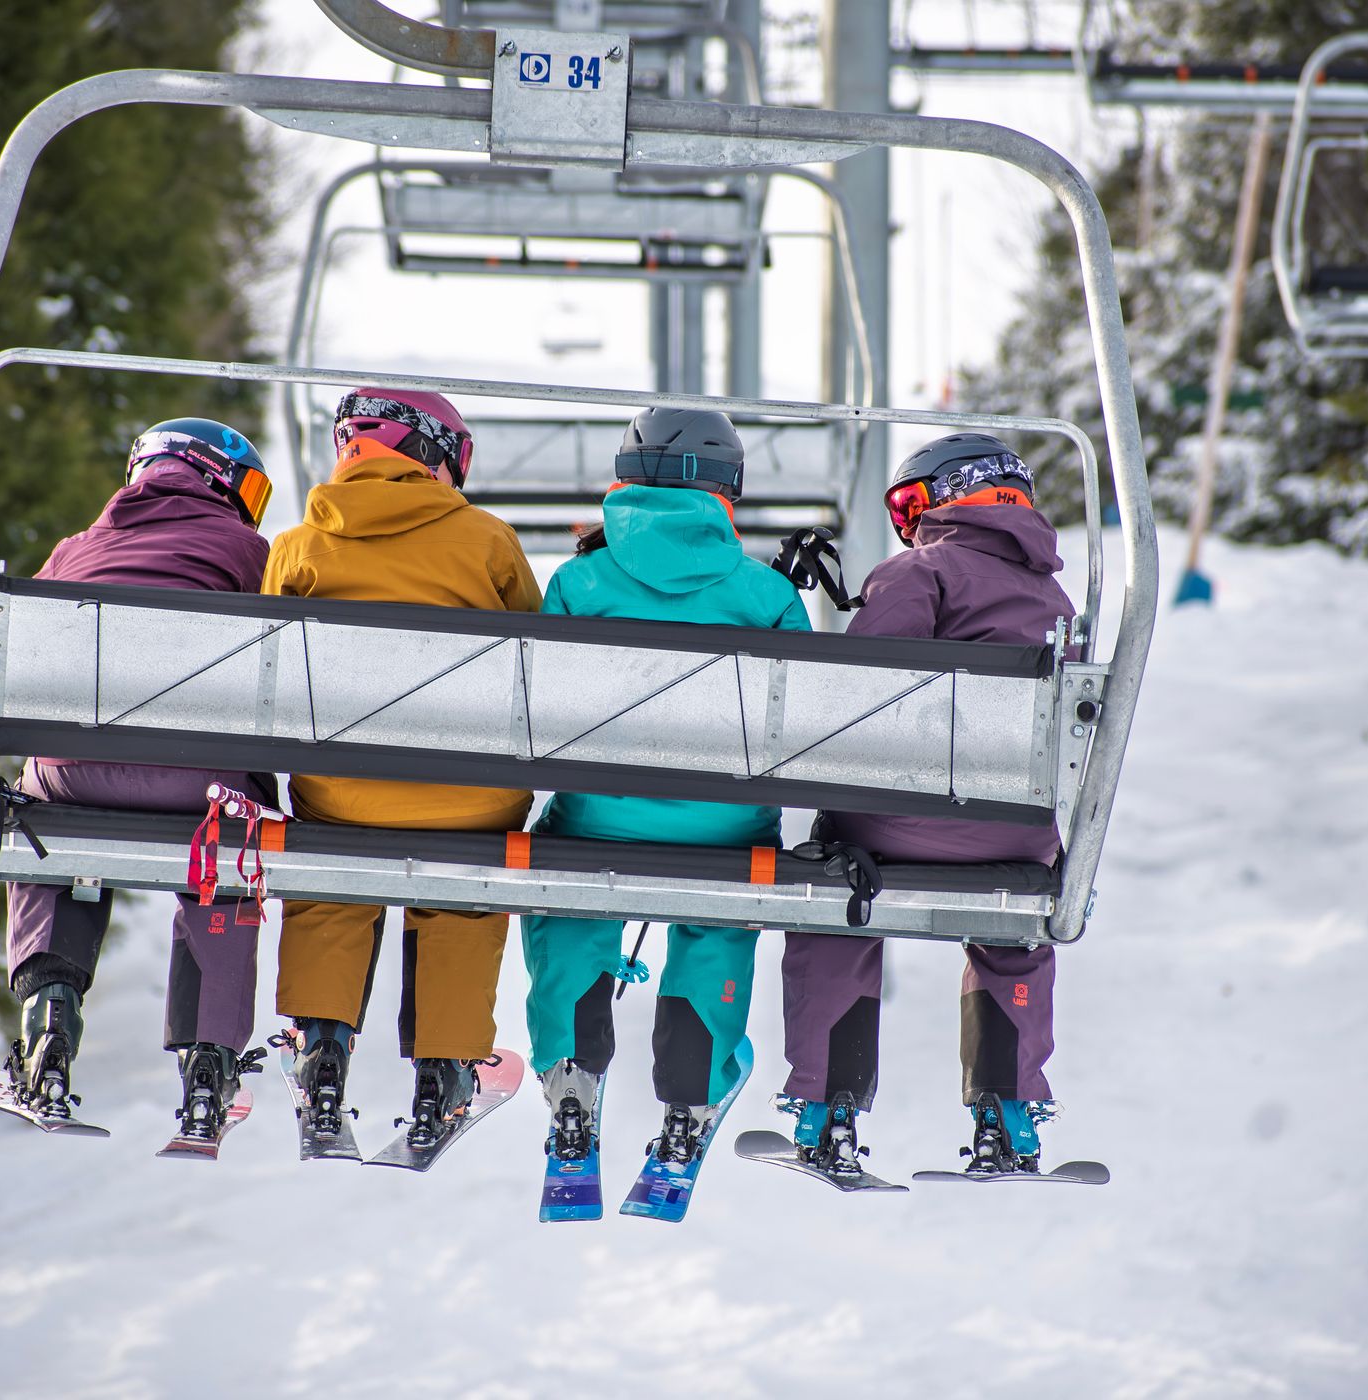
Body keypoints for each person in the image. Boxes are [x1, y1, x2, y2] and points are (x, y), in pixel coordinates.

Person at [775, 433, 1078, 1175]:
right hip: (1017, 831)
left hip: (894, 826)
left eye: (911, 505)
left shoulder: (921, 570)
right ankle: (1008, 1115)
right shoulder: (1057, 599)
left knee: (836, 903)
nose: (907, 523)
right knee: (1011, 932)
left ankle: (827, 1109)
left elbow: (865, 694)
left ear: (944, 497)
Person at [523, 408, 810, 1173]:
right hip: (723, 834)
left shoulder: (579, 580)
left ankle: (571, 1074)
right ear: (727, 488)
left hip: (598, 822)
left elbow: (539, 716)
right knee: (717, 916)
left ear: (624, 477)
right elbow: (805, 731)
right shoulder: (766, 595)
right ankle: (692, 1091)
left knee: (569, 879)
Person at [262, 388, 542, 1147]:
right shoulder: (488, 542)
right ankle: (445, 1072)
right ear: (437, 455)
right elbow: (542, 665)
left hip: (341, 795)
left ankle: (322, 1054)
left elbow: (260, 678)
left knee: (331, 866)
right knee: (461, 891)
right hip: (468, 803)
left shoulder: (297, 547)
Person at [2, 417, 275, 1141]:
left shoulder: (76, 549)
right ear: (222, 480)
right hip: (199, 781)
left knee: (41, 825)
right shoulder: (246, 549)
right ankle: (209, 1060)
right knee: (225, 843)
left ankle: (48, 1017)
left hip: (76, 774)